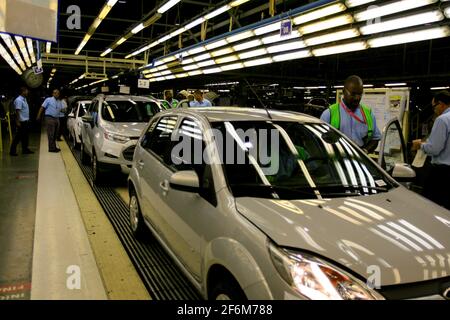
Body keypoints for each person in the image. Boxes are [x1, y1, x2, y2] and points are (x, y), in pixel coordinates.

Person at [320, 75, 381, 153]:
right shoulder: (329, 114)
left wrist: (364, 151)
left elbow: (375, 139)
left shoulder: (368, 114)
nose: (357, 98)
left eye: (360, 94)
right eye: (353, 94)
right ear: (344, 91)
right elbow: (319, 142)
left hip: (359, 159)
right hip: (337, 158)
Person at [412, 90, 450, 210]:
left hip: (442, 174)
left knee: (429, 208)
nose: (434, 110)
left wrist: (420, 145)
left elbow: (434, 149)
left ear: (441, 104)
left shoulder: (442, 120)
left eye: (434, 107)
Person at [36, 89, 64, 153]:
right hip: (49, 118)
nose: (56, 94)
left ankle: (54, 146)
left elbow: (60, 110)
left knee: (55, 134)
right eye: (55, 93)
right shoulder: (48, 99)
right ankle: (51, 148)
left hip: (57, 118)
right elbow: (42, 107)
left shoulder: (59, 101)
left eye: (57, 93)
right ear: (53, 94)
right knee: (51, 133)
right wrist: (38, 115)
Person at [9, 87, 34, 156]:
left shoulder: (24, 99)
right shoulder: (19, 100)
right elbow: (17, 111)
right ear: (23, 92)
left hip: (25, 121)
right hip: (21, 121)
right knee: (18, 137)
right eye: (26, 91)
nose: (27, 92)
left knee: (25, 136)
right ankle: (12, 151)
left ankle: (25, 149)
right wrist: (17, 121)